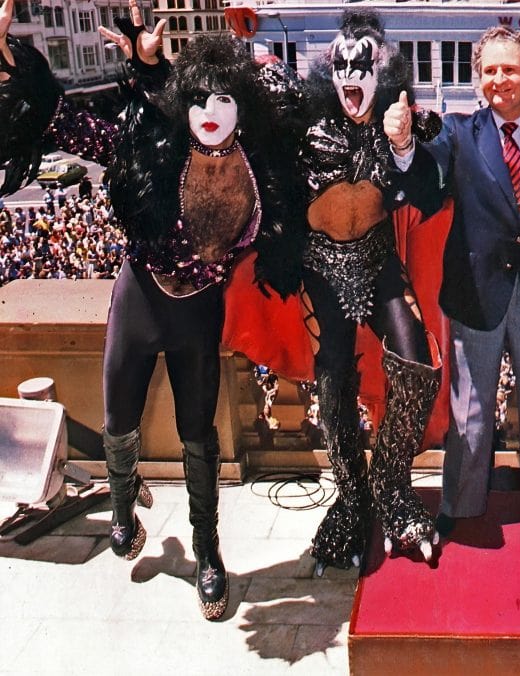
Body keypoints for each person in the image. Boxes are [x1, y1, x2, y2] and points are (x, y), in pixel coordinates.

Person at [1, 0, 302, 620]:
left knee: (199, 435)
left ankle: (209, 553)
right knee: (119, 420)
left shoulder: (257, 165)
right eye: (200, 103)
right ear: (183, 107)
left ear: (241, 109)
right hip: (139, 296)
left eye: (224, 102)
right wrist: (10, 66)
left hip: (199, 315)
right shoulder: (149, 145)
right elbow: (68, 122)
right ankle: (119, 507)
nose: (212, 114)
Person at [384, 25, 520, 540]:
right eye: (487, 70)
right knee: (470, 413)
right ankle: (459, 504)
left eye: (508, 68)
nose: (498, 79)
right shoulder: (458, 133)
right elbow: (426, 190)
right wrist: (402, 145)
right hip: (477, 294)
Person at [294, 10, 445, 573]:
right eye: (341, 65)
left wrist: (404, 146)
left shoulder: (402, 121)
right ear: (329, 71)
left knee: (417, 362)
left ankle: (391, 482)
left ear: (383, 73)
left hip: (379, 261)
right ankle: (352, 496)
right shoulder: (301, 120)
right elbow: (220, 105)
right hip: (320, 267)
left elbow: (428, 191)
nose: (352, 75)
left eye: (363, 66)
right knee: (333, 376)